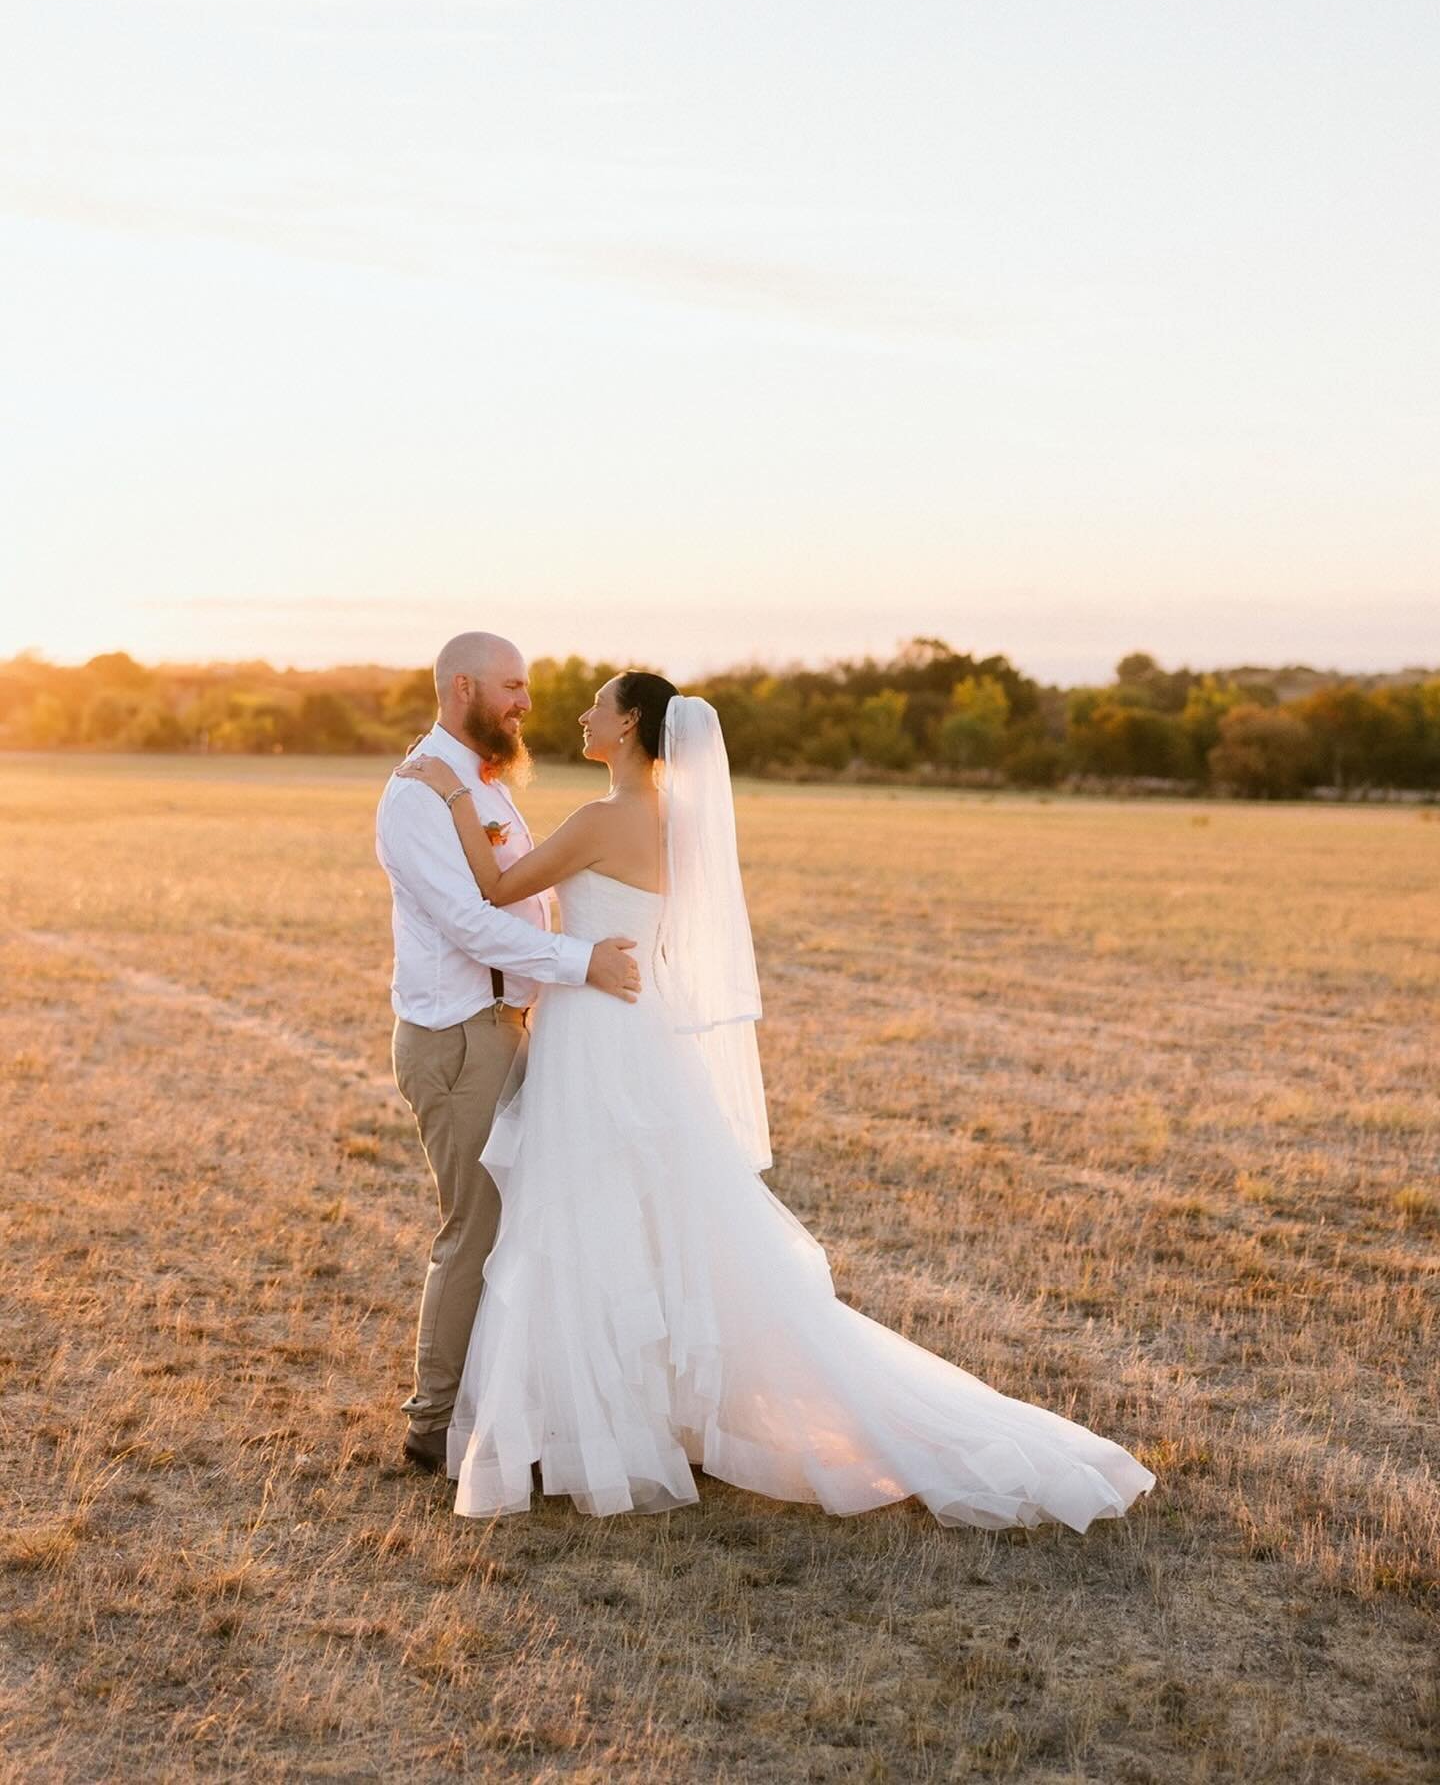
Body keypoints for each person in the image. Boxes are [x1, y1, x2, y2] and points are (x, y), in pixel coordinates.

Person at [392, 671, 1157, 1532]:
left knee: (578, 1218)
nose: (581, 715)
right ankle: (621, 1416)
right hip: (637, 1029)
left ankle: (592, 1423)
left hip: (593, 1033)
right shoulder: (676, 822)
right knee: (644, 1220)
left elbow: (496, 891)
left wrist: (456, 795)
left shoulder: (604, 819)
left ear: (630, 724)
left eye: (597, 706)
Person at [375, 632, 643, 1475]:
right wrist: (583, 961)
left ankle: (512, 1403)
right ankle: (434, 1422)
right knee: (476, 1227)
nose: (528, 702)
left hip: (507, 1029)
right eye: (514, 687)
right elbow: (469, 921)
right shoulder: (420, 793)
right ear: (464, 687)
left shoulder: (479, 779)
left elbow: (515, 895)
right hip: (458, 1041)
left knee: (531, 1220)